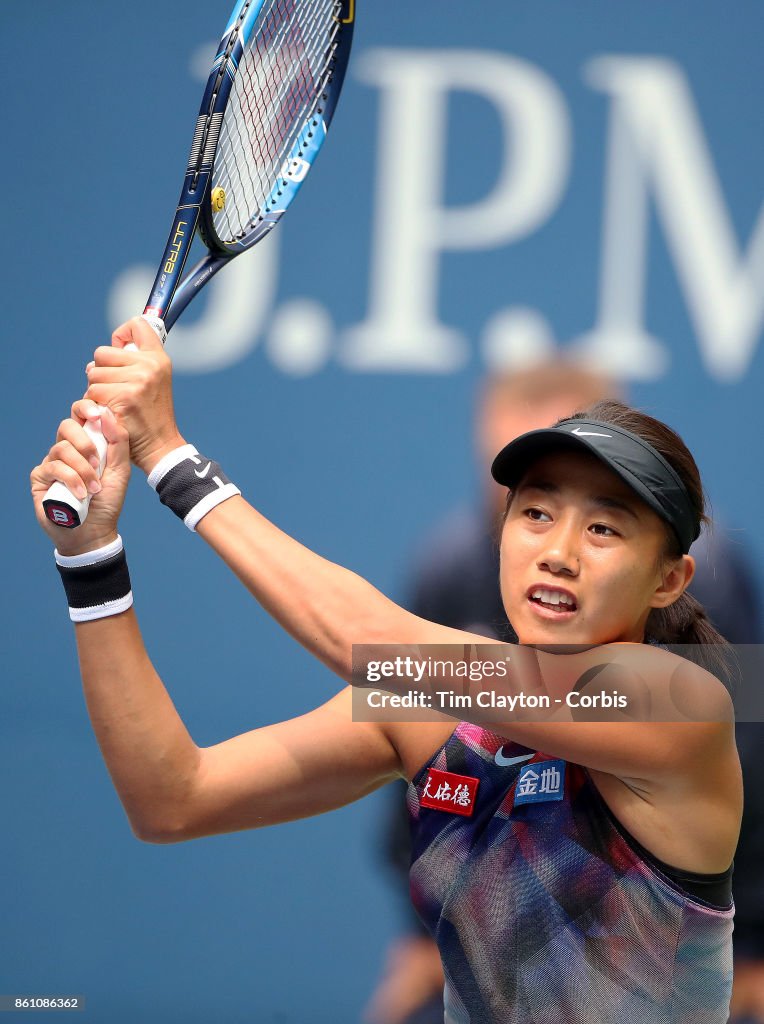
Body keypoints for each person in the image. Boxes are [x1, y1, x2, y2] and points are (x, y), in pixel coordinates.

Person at [31, 318, 742, 1024]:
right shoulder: (429, 717)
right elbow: (172, 800)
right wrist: (90, 558)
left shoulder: (679, 700)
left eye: (603, 528)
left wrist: (171, 458)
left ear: (669, 580)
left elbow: (370, 641)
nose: (559, 551)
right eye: (535, 513)